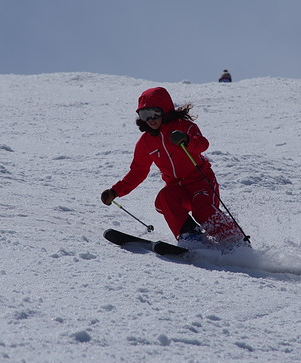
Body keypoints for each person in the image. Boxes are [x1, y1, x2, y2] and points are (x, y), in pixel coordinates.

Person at [101, 87, 245, 248]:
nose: (150, 119)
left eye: (154, 113)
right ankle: (191, 236)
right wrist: (115, 191)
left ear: (165, 110)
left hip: (201, 182)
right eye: (144, 115)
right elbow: (138, 171)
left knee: (202, 209)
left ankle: (235, 242)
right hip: (177, 188)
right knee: (165, 198)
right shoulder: (145, 142)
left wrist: (187, 140)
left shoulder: (183, 126)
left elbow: (202, 144)